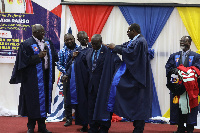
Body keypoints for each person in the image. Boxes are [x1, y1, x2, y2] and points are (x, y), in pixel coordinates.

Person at [9, 24, 58, 133]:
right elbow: (22, 62)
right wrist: (38, 56)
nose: (43, 34)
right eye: (41, 32)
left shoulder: (48, 42)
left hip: (45, 77)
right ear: (34, 33)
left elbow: (54, 57)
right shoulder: (26, 44)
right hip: (31, 79)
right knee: (32, 102)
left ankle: (42, 126)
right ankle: (30, 126)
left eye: (43, 31)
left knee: (44, 101)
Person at [107, 23, 153, 133]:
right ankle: (137, 127)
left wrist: (116, 48)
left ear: (134, 31)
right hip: (136, 76)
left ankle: (139, 128)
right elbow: (125, 47)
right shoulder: (135, 41)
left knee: (139, 103)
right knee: (136, 102)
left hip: (138, 78)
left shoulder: (141, 41)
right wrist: (112, 47)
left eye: (128, 31)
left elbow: (131, 53)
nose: (127, 33)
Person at [86, 34, 121, 133]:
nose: (93, 45)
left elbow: (117, 63)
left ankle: (104, 127)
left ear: (101, 42)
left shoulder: (108, 52)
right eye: (92, 43)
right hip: (92, 85)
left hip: (104, 85)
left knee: (104, 107)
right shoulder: (89, 51)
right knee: (91, 107)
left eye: (96, 44)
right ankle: (93, 126)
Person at [165, 36, 200, 133]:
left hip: (190, 88)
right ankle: (180, 128)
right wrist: (173, 70)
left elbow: (197, 69)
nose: (182, 42)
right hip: (178, 87)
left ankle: (189, 128)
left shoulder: (196, 56)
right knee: (178, 107)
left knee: (190, 108)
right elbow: (168, 67)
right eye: (181, 41)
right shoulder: (174, 56)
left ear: (189, 43)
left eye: (184, 41)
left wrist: (183, 72)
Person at [65, 31, 91, 132]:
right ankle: (84, 124)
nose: (86, 40)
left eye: (86, 38)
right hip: (80, 82)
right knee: (81, 103)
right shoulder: (76, 51)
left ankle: (93, 124)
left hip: (91, 81)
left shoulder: (93, 49)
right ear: (79, 40)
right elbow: (68, 65)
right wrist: (73, 57)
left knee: (91, 103)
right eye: (83, 39)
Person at [58, 33, 78, 127]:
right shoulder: (62, 52)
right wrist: (67, 72)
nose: (69, 41)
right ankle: (68, 118)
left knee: (80, 97)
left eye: (70, 39)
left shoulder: (79, 49)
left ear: (74, 39)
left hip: (79, 77)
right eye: (67, 40)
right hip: (67, 78)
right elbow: (59, 64)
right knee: (67, 99)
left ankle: (80, 118)